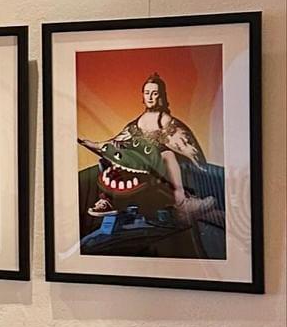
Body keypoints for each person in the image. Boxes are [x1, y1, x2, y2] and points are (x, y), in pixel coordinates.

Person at [78, 72, 215, 224]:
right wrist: (91, 143)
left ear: (161, 96)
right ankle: (107, 202)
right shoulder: (136, 123)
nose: (150, 97)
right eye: (147, 93)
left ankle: (182, 203)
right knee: (107, 158)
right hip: (138, 168)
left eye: (154, 93)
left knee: (167, 154)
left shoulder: (166, 122)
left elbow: (188, 149)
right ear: (142, 96)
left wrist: (202, 168)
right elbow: (115, 141)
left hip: (157, 170)